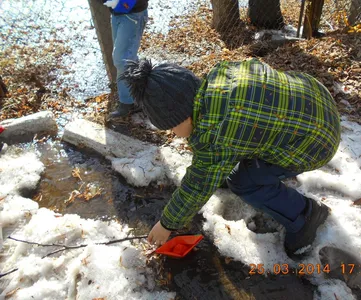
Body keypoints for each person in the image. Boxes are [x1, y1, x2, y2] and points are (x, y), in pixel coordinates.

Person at [120, 58, 341, 257]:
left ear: (181, 117)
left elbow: (197, 186)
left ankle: (304, 215)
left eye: (170, 128)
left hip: (315, 143)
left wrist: (166, 224)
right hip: (315, 100)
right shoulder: (219, 80)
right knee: (238, 147)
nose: (172, 133)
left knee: (243, 183)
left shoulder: (215, 132)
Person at [103, 0, 148, 119]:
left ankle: (128, 103)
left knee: (122, 60)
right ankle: (139, 95)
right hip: (117, 13)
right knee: (128, 57)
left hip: (133, 14)